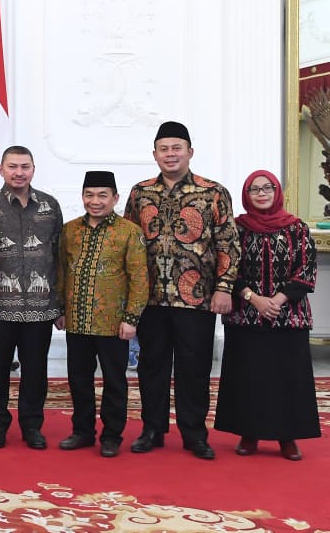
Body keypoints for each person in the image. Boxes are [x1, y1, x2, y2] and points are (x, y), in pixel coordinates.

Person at [124, 121, 239, 460]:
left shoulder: (213, 192)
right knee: (152, 366)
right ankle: (152, 429)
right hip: (152, 298)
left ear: (190, 151)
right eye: (164, 148)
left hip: (198, 297)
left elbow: (228, 244)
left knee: (195, 368)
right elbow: (129, 244)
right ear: (155, 154)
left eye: (177, 147)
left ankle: (194, 433)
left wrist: (224, 288)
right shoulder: (140, 192)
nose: (170, 154)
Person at [215, 170, 321, 461]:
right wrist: (254, 299)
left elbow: (306, 270)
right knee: (248, 376)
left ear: (277, 192)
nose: (261, 194)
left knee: (287, 377)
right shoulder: (236, 229)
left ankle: (287, 437)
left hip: (288, 316)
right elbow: (226, 268)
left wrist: (277, 300)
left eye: (267, 188)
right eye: (254, 189)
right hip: (246, 316)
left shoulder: (296, 228)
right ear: (246, 195)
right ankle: (249, 434)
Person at [55, 170, 148, 458]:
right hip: (77, 321)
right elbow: (60, 271)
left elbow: (140, 278)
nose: (95, 201)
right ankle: (82, 431)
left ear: (115, 198)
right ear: (83, 197)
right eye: (89, 195)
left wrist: (131, 319)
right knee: (78, 379)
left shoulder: (129, 232)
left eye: (102, 195)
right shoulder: (70, 230)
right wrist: (60, 309)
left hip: (113, 324)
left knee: (114, 381)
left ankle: (111, 435)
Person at [0, 146, 62, 450]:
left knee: (35, 369)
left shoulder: (50, 206)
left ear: (33, 169)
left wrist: (59, 303)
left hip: (40, 307)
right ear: (1, 169)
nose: (19, 172)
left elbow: (57, 256)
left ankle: (32, 425)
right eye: (12, 166)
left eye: (24, 166)